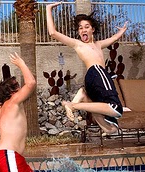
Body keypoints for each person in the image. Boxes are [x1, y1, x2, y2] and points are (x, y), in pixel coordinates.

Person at [46, 2, 128, 135]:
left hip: (95, 79)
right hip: (96, 72)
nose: (83, 30)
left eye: (86, 27)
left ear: (93, 29)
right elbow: (53, 32)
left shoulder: (99, 44)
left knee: (112, 129)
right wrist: (48, 9)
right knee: (117, 109)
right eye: (80, 28)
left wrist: (121, 32)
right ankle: (72, 105)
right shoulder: (78, 44)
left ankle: (84, 96)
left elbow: (112, 39)